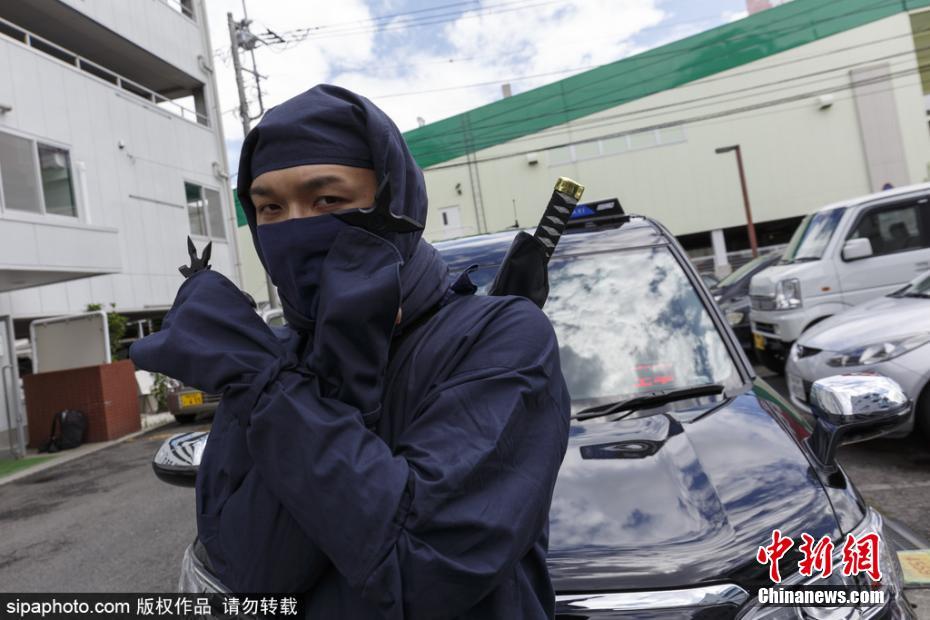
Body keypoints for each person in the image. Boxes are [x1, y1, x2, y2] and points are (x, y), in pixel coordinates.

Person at [130, 84, 570, 619]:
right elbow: (252, 574)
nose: (293, 226)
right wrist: (309, 377)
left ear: (394, 200)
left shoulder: (496, 336)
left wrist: (278, 391)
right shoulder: (274, 357)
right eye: (269, 207)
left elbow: (421, 566)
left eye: (327, 200)